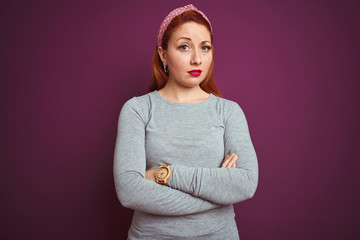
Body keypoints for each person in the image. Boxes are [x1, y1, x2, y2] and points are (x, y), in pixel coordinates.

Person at [113, 4, 258, 239]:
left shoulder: (228, 112)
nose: (197, 59)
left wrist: (166, 174)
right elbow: (130, 191)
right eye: (184, 47)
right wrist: (217, 191)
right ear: (163, 54)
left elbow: (246, 183)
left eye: (205, 47)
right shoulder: (138, 110)